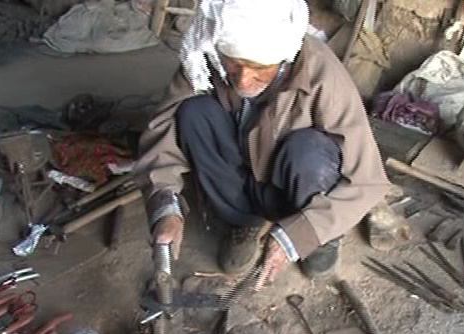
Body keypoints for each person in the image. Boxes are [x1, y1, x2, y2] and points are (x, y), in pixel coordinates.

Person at [136, 0, 390, 286]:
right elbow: (162, 132)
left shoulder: (320, 70)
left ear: (284, 57)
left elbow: (367, 181)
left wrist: (301, 234)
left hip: (294, 181)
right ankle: (243, 220)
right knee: (194, 112)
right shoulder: (208, 51)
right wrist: (165, 205)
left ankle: (320, 236)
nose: (243, 80)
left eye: (259, 67)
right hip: (243, 169)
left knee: (308, 151)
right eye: (235, 63)